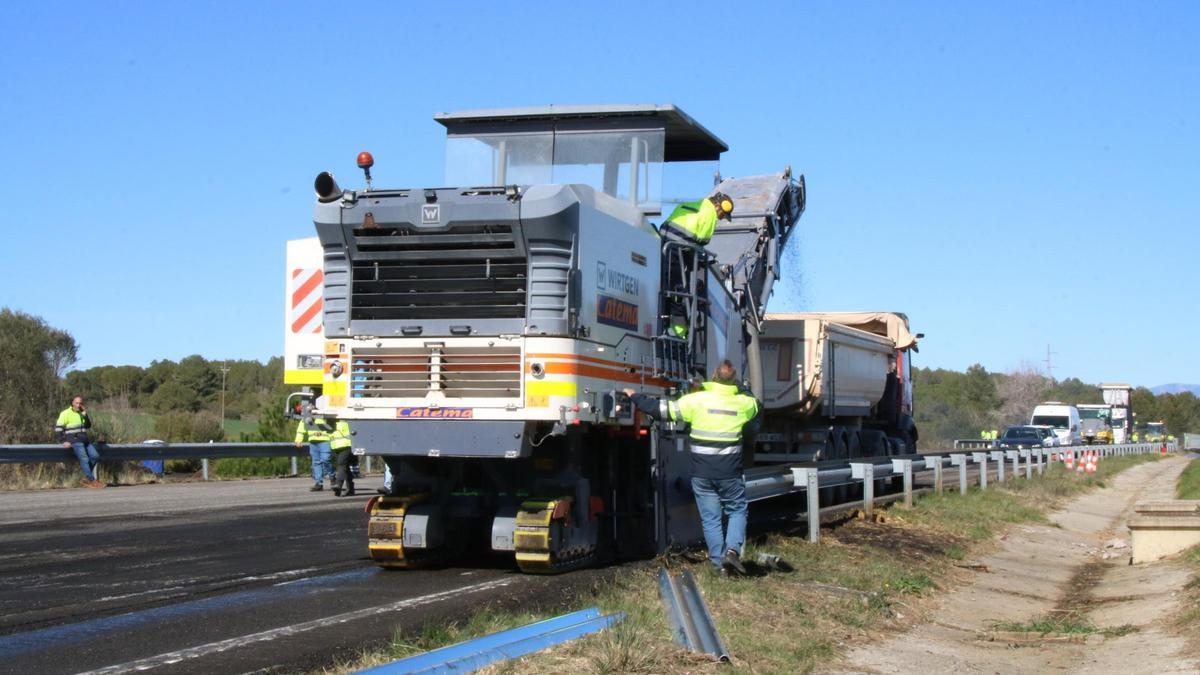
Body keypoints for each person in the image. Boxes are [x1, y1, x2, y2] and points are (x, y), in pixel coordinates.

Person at [624, 360, 761, 575]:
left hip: (702, 474)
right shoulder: (742, 404)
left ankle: (718, 567)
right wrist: (742, 388)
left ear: (713, 377)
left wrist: (634, 396)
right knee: (737, 510)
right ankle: (732, 550)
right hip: (729, 474)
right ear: (733, 381)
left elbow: (660, 410)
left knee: (711, 518)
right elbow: (756, 404)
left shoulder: (695, 401)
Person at [55, 396, 104, 488]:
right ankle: (92, 480)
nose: (78, 405)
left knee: (95, 456)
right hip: (74, 441)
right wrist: (63, 441)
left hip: (85, 440)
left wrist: (85, 415)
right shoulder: (65, 413)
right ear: (72, 403)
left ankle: (87, 478)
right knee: (84, 459)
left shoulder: (81, 413)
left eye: (80, 403)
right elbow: (58, 429)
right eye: (76, 403)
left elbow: (88, 426)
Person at [661, 192, 735, 245]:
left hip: (663, 236)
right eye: (722, 215)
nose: (721, 218)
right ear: (717, 206)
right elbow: (703, 240)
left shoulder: (695, 202)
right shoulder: (711, 214)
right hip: (679, 244)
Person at [294, 413, 334, 491]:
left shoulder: (324, 414)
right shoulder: (307, 416)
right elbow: (301, 428)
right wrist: (298, 440)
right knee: (316, 462)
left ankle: (332, 478)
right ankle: (319, 483)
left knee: (326, 460)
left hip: (325, 441)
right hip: (313, 442)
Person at [329, 419, 357, 497]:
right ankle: (350, 489)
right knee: (345, 467)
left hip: (346, 446)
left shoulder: (345, 421)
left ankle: (338, 484)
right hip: (336, 447)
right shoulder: (330, 421)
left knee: (341, 464)